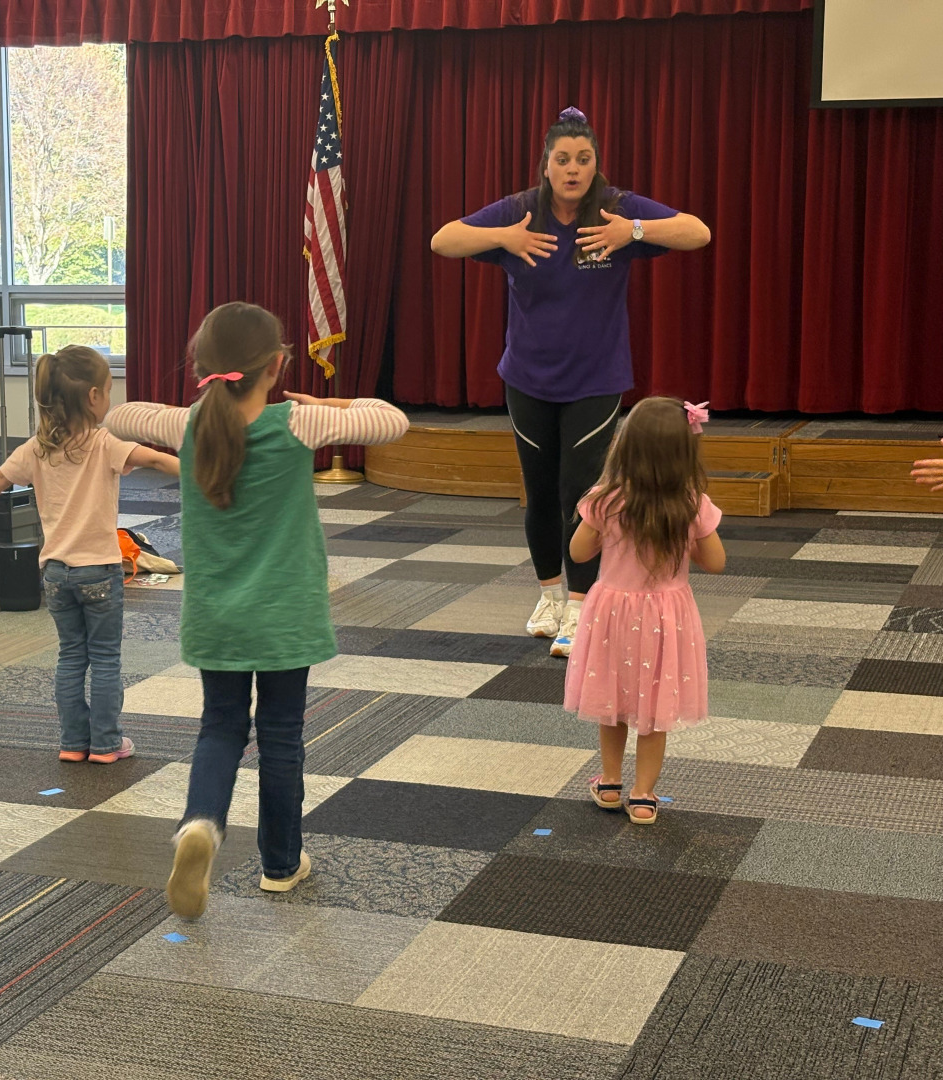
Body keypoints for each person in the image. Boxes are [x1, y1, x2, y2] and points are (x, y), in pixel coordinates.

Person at [105, 302, 409, 918]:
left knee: (220, 726)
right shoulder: (297, 422)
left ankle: (201, 822)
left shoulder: (188, 424)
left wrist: (191, 406)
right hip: (285, 615)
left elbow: (119, 414)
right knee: (281, 736)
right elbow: (392, 420)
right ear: (276, 365)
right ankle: (280, 865)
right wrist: (329, 405)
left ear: (203, 367)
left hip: (215, 615)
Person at [431, 106, 712, 658]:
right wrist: (505, 239)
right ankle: (549, 596)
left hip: (596, 379)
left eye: (583, 159)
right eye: (563, 159)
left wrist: (632, 230)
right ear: (547, 165)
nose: (573, 169)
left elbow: (697, 232)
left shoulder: (616, 209)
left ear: (595, 165)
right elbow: (443, 240)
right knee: (539, 492)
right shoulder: (521, 212)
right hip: (527, 378)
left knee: (581, 494)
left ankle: (581, 606)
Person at [0, 346, 179, 763]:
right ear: (94, 396)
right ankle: (106, 743)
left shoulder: (37, 448)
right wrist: (203, 471)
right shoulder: (105, 443)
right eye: (109, 390)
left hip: (56, 574)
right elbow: (153, 458)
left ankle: (73, 742)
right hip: (99, 571)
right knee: (105, 658)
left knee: (71, 656)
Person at [563, 397, 726, 824]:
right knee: (655, 708)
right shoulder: (691, 503)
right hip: (665, 619)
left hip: (612, 615)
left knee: (611, 699)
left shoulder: (606, 500)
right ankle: (643, 796)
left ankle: (610, 783)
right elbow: (716, 562)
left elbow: (577, 553)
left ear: (624, 446)